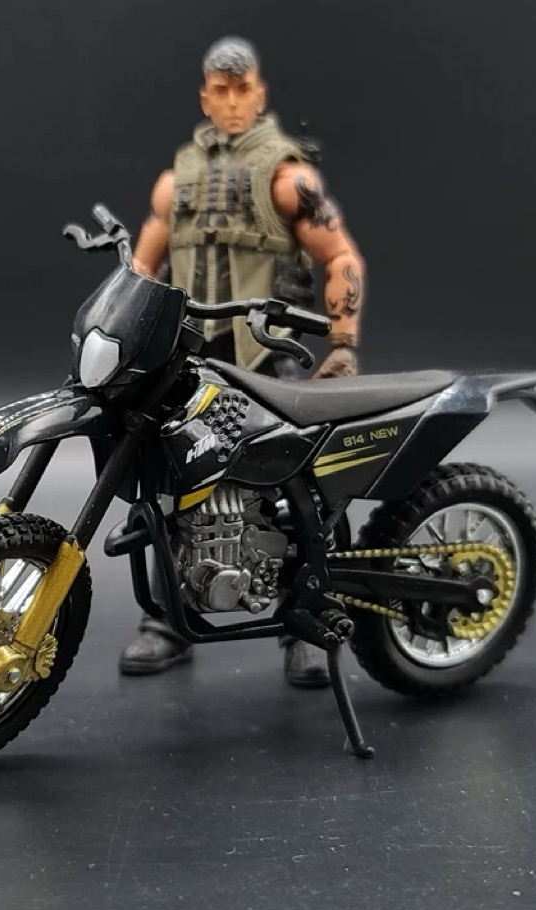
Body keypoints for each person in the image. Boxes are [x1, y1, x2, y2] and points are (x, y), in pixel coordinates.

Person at [119, 36, 368, 688]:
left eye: (243, 90)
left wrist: (342, 345)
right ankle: (170, 620)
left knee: (306, 494)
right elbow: (142, 268)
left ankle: (306, 622)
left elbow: (340, 256)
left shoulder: (287, 178)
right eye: (220, 91)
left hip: (267, 358)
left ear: (260, 94)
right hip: (189, 363)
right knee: (167, 487)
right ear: (206, 97)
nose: (231, 102)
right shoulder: (177, 182)